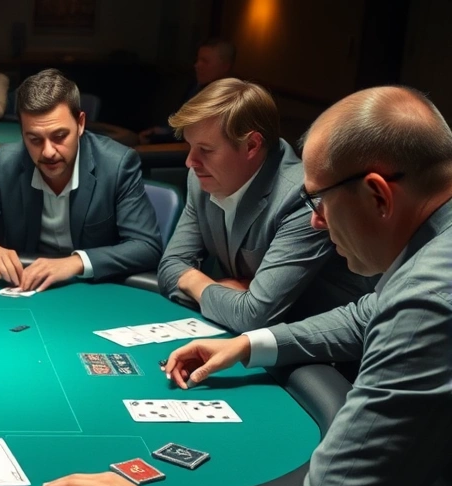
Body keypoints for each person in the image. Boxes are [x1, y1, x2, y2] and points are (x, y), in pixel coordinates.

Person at [34, 85, 452, 486]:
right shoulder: (430, 257)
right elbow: (367, 312)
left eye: (319, 201)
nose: (316, 222)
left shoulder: (426, 305)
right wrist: (248, 343)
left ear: (379, 194)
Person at [157, 78, 375, 334]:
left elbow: (253, 317)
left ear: (251, 145)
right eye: (190, 147)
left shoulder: (302, 197)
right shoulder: (202, 178)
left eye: (205, 149)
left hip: (320, 352)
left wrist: (196, 282)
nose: (190, 162)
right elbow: (170, 267)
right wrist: (217, 290)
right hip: (250, 337)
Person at [0, 69, 162, 292]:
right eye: (35, 139)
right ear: (22, 133)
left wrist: (74, 262)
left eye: (59, 136)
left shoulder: (117, 164)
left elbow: (147, 246)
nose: (48, 152)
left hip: (94, 291)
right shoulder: (8, 163)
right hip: (27, 287)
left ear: (81, 123)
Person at [136, 38, 236, 146]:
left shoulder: (227, 98)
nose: (197, 65)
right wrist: (161, 130)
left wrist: (157, 138)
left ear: (225, 67)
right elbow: (179, 120)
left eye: (205, 61)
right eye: (198, 60)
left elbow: (192, 134)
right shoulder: (194, 86)